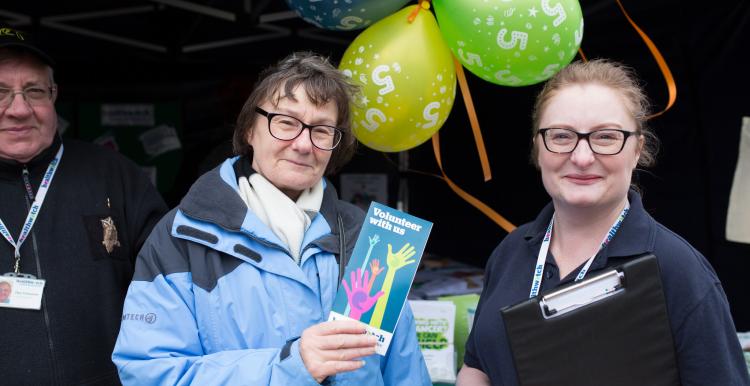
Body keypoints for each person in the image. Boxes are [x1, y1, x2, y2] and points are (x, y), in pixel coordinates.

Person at [112, 52, 431, 385]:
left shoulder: (370, 239)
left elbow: (405, 373)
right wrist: (288, 367)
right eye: (286, 123)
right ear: (250, 129)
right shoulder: (182, 237)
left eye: (321, 130)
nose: (303, 144)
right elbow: (149, 373)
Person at [457, 59, 750, 385]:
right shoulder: (512, 251)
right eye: (562, 136)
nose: (582, 158)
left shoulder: (678, 271)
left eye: (606, 137)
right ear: (538, 148)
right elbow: (477, 368)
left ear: (637, 150)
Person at [0, 26, 168, 384]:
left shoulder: (113, 173)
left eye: (34, 91)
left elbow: (174, 285)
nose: (18, 109)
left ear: (54, 95)